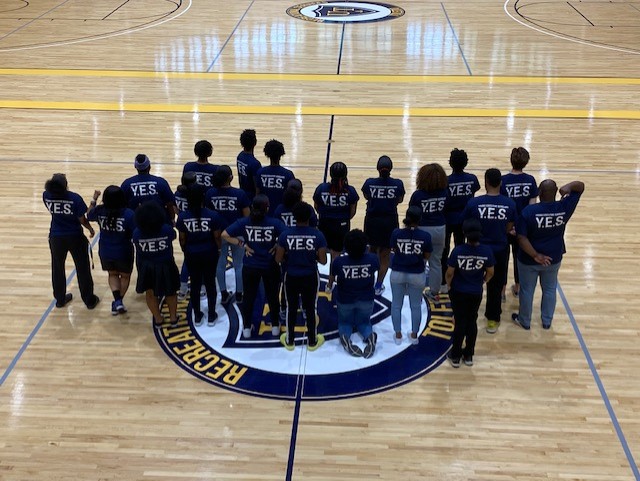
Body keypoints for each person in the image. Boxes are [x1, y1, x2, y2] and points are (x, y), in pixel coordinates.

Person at [512, 180, 584, 330]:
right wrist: (568, 187)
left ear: (539, 192)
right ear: (556, 191)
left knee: (526, 290)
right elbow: (580, 186)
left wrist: (535, 255)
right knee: (550, 288)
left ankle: (524, 321)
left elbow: (521, 237)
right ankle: (546, 321)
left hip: (528, 260)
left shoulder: (528, 212)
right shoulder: (564, 207)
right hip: (554, 257)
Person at [222, 195, 285, 338]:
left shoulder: (244, 222)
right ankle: (275, 326)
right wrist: (276, 245)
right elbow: (286, 236)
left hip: (250, 267)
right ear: (267, 208)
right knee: (273, 297)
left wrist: (242, 244)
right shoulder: (274, 223)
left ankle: (246, 329)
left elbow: (224, 234)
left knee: (249, 298)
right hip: (270, 265)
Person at [462, 168, 516, 334]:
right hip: (499, 249)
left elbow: (466, 225)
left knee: (471, 282)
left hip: (477, 249)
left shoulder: (473, 203)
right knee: (495, 285)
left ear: (485, 182)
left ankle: (467, 315)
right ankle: (492, 319)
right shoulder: (510, 204)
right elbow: (509, 227)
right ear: (500, 183)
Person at [276, 202, 328, 351]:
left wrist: (290, 255)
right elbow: (324, 260)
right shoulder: (318, 235)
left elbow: (278, 259)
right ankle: (312, 342)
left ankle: (290, 341)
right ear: (310, 216)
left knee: (291, 308)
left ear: (293, 217)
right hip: (310, 276)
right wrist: (312, 256)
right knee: (311, 308)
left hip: (291, 276)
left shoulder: (285, 235)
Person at [43, 173, 100, 309]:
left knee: (57, 268)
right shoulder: (74, 198)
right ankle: (89, 300)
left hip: (56, 237)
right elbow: (82, 219)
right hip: (74, 236)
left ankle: (60, 299)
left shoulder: (46, 195)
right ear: (65, 185)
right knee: (82, 268)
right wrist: (91, 229)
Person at [445, 218, 495, 368]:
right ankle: (468, 355)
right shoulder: (486, 251)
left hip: (458, 291)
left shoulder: (458, 251)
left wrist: (448, 285)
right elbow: (491, 272)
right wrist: (482, 281)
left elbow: (449, 273)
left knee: (460, 322)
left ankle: (455, 356)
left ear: (465, 234)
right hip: (475, 291)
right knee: (472, 321)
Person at [176, 186, 225, 326]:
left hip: (192, 253)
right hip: (209, 252)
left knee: (195, 284)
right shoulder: (213, 215)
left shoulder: (183, 216)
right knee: (210, 283)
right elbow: (217, 237)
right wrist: (219, 249)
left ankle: (197, 315)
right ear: (203, 198)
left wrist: (185, 250)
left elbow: (182, 239)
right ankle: (211, 315)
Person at [327, 229, 379, 358]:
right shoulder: (373, 259)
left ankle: (346, 339)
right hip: (366, 298)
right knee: (364, 322)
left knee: (345, 322)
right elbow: (377, 270)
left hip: (345, 299)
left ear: (346, 246)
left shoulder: (338, 262)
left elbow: (332, 278)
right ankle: (370, 336)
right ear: (365, 245)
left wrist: (328, 286)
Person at [87, 185, 136, 315]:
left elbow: (89, 215)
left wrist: (94, 199)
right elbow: (135, 232)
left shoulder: (99, 210)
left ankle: (117, 301)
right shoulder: (129, 214)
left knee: (112, 274)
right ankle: (118, 302)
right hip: (123, 250)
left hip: (105, 250)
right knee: (125, 276)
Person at [205, 165, 250, 305]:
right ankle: (239, 294)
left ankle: (224, 294)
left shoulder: (210, 193)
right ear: (231, 178)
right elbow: (246, 216)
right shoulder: (240, 194)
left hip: (218, 234)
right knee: (239, 264)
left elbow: (208, 215)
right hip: (237, 235)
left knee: (220, 263)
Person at [361, 155, 405, 296]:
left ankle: (367, 283)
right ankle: (378, 285)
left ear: (377, 169)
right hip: (389, 222)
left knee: (372, 252)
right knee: (385, 255)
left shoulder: (369, 183)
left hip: (372, 221)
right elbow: (399, 200)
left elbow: (366, 196)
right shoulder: (398, 184)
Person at [133, 201, 180, 328]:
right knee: (171, 292)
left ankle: (158, 319)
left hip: (147, 266)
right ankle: (173, 318)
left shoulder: (137, 233)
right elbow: (173, 236)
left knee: (150, 293)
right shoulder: (167, 230)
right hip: (166, 264)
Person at [389, 206, 432, 345]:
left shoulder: (396, 233)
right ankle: (414, 336)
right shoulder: (425, 236)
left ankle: (398, 335)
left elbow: (393, 249)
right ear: (420, 219)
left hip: (397, 272)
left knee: (396, 305)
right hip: (417, 274)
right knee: (415, 306)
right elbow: (427, 255)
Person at [501, 147, 538, 299]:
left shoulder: (503, 180)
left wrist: (508, 227)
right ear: (526, 162)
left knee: (502, 259)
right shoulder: (530, 180)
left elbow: (501, 205)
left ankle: (501, 291)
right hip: (522, 229)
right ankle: (518, 287)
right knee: (519, 258)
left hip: (505, 228)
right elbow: (532, 207)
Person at [409, 163, 448, 301]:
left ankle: (415, 291)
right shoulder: (445, 192)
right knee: (435, 262)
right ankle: (434, 292)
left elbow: (412, 214)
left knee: (420, 261)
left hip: (423, 229)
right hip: (440, 229)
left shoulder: (418, 195)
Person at [442, 148, 480, 286]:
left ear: (450, 163)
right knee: (461, 246)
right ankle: (459, 274)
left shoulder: (445, 181)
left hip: (448, 218)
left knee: (444, 249)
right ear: (466, 163)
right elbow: (475, 190)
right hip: (465, 219)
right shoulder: (472, 179)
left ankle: (443, 280)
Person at [313, 161, 359, 263]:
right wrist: (343, 218)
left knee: (320, 251)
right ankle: (332, 278)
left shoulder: (321, 188)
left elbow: (316, 207)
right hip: (341, 226)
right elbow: (352, 212)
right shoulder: (350, 191)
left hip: (324, 223)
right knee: (336, 257)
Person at [121, 154, 175, 222]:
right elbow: (170, 204)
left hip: (136, 224)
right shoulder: (161, 182)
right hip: (158, 222)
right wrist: (172, 219)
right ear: (149, 166)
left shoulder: (126, 184)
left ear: (135, 166)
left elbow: (121, 206)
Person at [255, 139, 295, 215]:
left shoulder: (260, 172)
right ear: (281, 155)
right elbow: (292, 198)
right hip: (281, 215)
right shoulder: (288, 174)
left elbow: (257, 194)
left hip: (264, 214)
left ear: (267, 154)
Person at [175, 172, 197, 300]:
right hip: (194, 227)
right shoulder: (195, 194)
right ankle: (201, 289)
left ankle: (183, 289)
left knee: (187, 259)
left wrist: (179, 214)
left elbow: (173, 206)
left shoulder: (177, 194)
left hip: (183, 226)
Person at [236, 129, 262, 200]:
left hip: (242, 193)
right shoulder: (255, 163)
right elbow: (257, 186)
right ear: (255, 143)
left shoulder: (240, 156)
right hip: (251, 197)